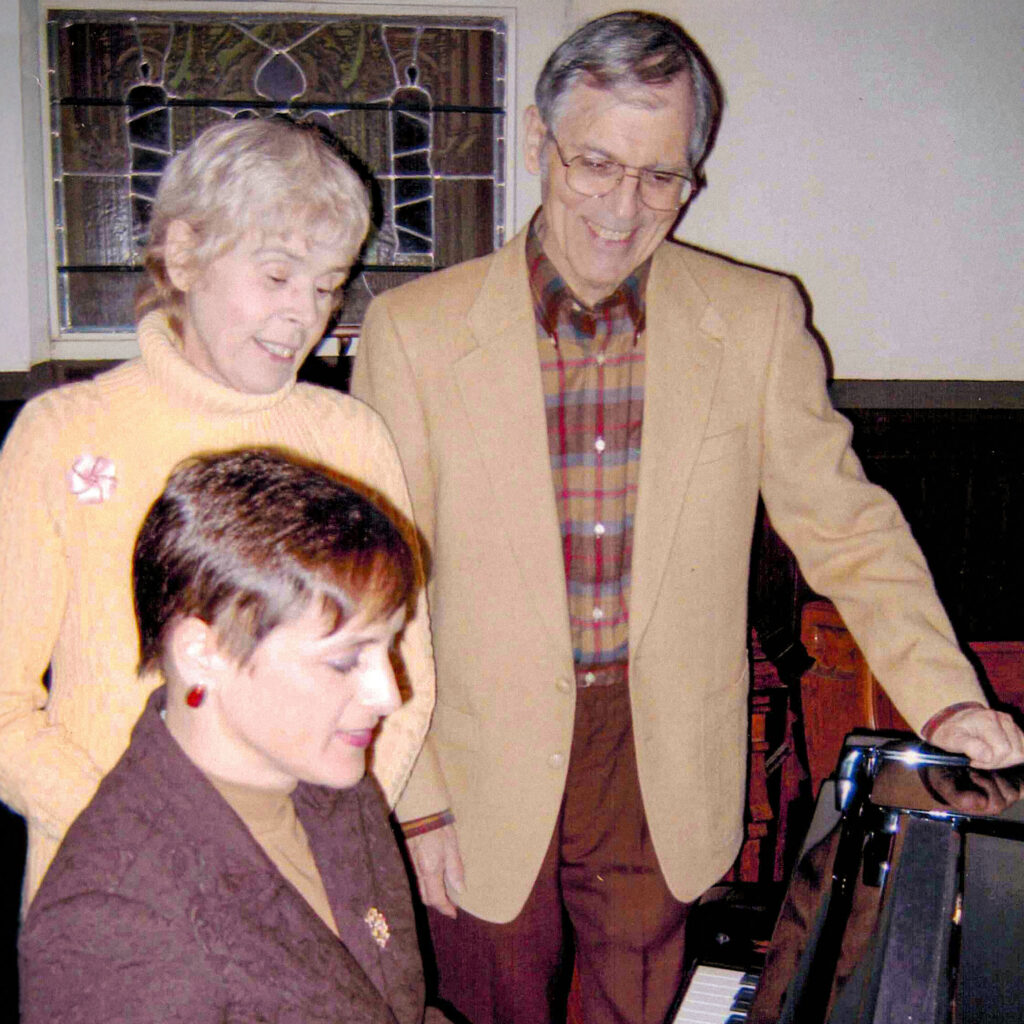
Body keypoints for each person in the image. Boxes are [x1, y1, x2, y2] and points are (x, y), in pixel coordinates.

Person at [350, 10, 1024, 1024]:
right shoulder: (414, 332)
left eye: (660, 175)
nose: (623, 206)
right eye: (595, 163)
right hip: (473, 744)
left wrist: (943, 699)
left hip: (654, 746)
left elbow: (847, 524)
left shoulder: (752, 319)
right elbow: (376, 587)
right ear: (539, 143)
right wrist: (416, 793)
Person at [0, 117, 434, 908]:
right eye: (278, 276)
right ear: (185, 253)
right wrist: (148, 837)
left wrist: (321, 847)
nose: (306, 314)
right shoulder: (63, 435)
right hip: (111, 887)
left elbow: (405, 680)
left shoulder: (349, 438)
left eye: (328, 284)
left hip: (298, 889)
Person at [19, 448, 442, 1022]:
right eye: (346, 661)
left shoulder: (330, 781)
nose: (390, 695)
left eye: (389, 647)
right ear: (203, 653)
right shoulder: (113, 928)